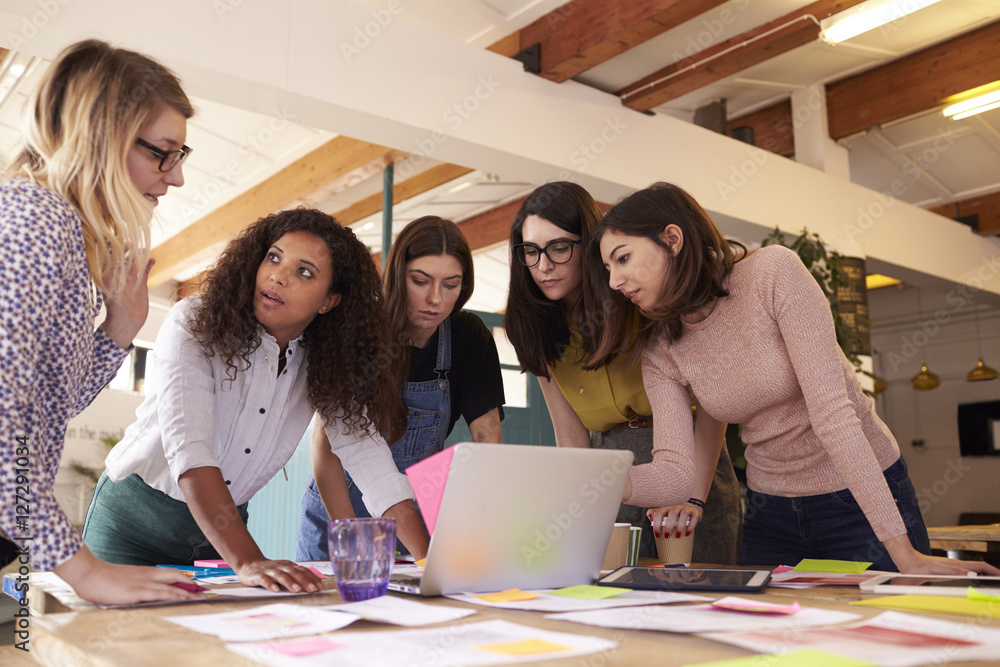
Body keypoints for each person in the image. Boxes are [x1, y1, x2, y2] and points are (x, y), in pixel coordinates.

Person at [592, 181, 1000, 575]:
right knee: (765, 634)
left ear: (672, 239)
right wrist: (591, 483)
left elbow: (833, 413)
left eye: (622, 258)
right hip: (772, 510)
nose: (614, 281)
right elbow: (674, 471)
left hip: (859, 497)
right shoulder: (660, 346)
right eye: (608, 267)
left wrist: (903, 552)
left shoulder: (772, 273)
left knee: (889, 627)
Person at [82, 208, 424, 593]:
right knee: (115, 650)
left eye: (304, 272)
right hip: (132, 528)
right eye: (274, 257)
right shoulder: (193, 322)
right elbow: (190, 449)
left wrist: (430, 562)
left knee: (200, 652)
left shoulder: (328, 361)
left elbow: (368, 456)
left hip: (218, 538)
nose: (278, 275)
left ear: (329, 301)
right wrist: (248, 560)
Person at [0, 40, 201, 605]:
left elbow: (45, 407)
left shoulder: (57, 228)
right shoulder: (33, 222)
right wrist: (86, 571)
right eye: (163, 151)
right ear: (101, 136)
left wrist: (122, 325)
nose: (176, 176)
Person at [503, 182, 741, 562]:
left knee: (703, 599)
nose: (544, 265)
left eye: (559, 247)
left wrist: (694, 495)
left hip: (691, 461)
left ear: (591, 243)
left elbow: (711, 407)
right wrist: (580, 507)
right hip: (607, 475)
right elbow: (570, 434)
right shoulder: (536, 328)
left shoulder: (641, 296)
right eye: (530, 251)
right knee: (613, 601)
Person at [296, 215, 505, 560]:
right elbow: (325, 446)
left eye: (450, 285)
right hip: (340, 511)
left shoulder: (469, 338)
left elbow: (488, 438)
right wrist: (354, 541)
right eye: (420, 281)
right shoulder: (359, 329)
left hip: (413, 517)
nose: (435, 298)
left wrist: (482, 525)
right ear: (397, 275)